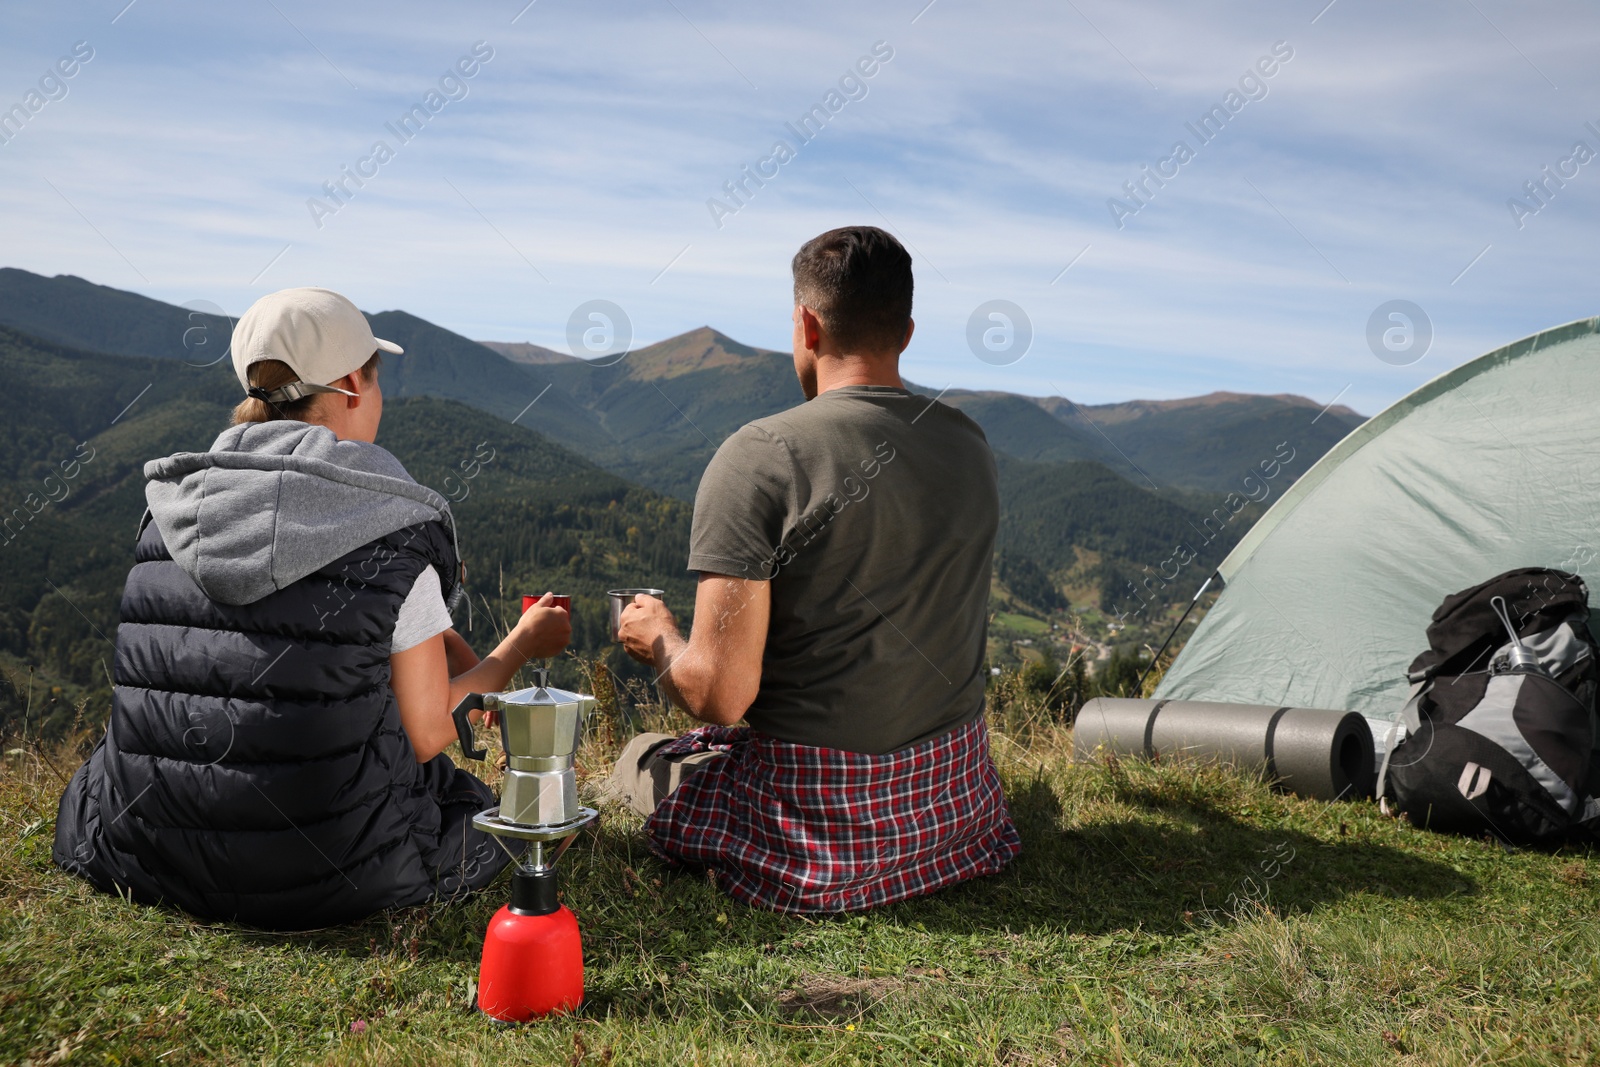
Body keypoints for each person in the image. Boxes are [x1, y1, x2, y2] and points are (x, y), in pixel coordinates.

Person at [52, 287, 570, 930]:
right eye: (377, 381)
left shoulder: (168, 514)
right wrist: (519, 646)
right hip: (335, 867)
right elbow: (430, 732)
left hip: (148, 846)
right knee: (498, 810)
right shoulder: (388, 528)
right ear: (353, 383)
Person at [612, 225, 1021, 913]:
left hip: (817, 836)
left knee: (642, 757)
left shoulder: (761, 455)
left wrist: (658, 638)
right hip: (954, 811)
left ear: (807, 322)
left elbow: (720, 696)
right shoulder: (968, 443)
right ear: (908, 330)